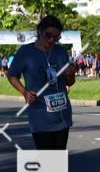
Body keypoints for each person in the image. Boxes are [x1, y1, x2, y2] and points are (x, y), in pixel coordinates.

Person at [7, 15, 76, 150]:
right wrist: (24, 92)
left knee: (57, 161)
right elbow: (12, 75)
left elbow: (69, 83)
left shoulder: (61, 52)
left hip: (62, 115)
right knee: (47, 160)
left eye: (56, 38)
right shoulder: (26, 52)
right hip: (40, 116)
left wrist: (71, 74)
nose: (51, 40)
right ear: (39, 30)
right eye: (48, 35)